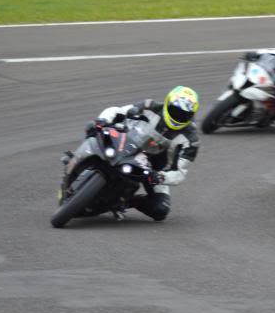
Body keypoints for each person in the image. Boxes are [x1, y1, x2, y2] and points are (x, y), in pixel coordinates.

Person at [86, 86, 201, 221]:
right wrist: (103, 121)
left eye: (184, 115)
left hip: (155, 169)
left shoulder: (191, 141)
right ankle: (79, 159)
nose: (178, 116)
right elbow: (119, 111)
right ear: (167, 103)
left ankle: (125, 202)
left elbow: (179, 173)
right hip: (126, 143)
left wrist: (161, 177)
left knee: (161, 209)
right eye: (175, 111)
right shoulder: (150, 106)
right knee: (93, 129)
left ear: (191, 115)